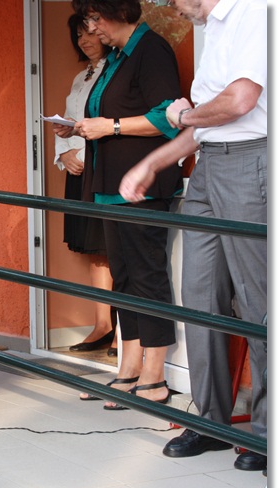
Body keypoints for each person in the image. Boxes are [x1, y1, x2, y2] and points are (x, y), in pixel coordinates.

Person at [119, 0, 267, 471]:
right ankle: (211, 423)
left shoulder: (255, 11)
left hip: (252, 160)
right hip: (209, 165)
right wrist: (153, 162)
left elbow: (239, 101)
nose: (172, 8)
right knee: (199, 299)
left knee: (259, 302)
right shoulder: (213, 27)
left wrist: (183, 117)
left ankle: (267, 434)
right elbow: (203, 124)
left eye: (172, 0)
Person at [56, 0, 183, 410]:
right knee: (124, 278)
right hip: (109, 186)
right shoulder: (115, 58)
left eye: (95, 18)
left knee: (147, 278)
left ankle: (155, 376)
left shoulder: (152, 49)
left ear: (119, 12)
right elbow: (108, 115)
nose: (92, 28)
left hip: (142, 186)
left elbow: (167, 117)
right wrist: (81, 127)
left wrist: (108, 126)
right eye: (87, 20)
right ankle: (128, 370)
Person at [52, 14, 117, 365]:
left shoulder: (115, 70)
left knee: (113, 246)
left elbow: (108, 124)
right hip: (78, 170)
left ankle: (124, 331)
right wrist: (64, 153)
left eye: (90, 33)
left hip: (101, 167)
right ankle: (102, 324)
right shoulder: (82, 76)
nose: (85, 40)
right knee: (95, 249)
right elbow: (67, 123)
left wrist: (82, 151)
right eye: (78, 35)